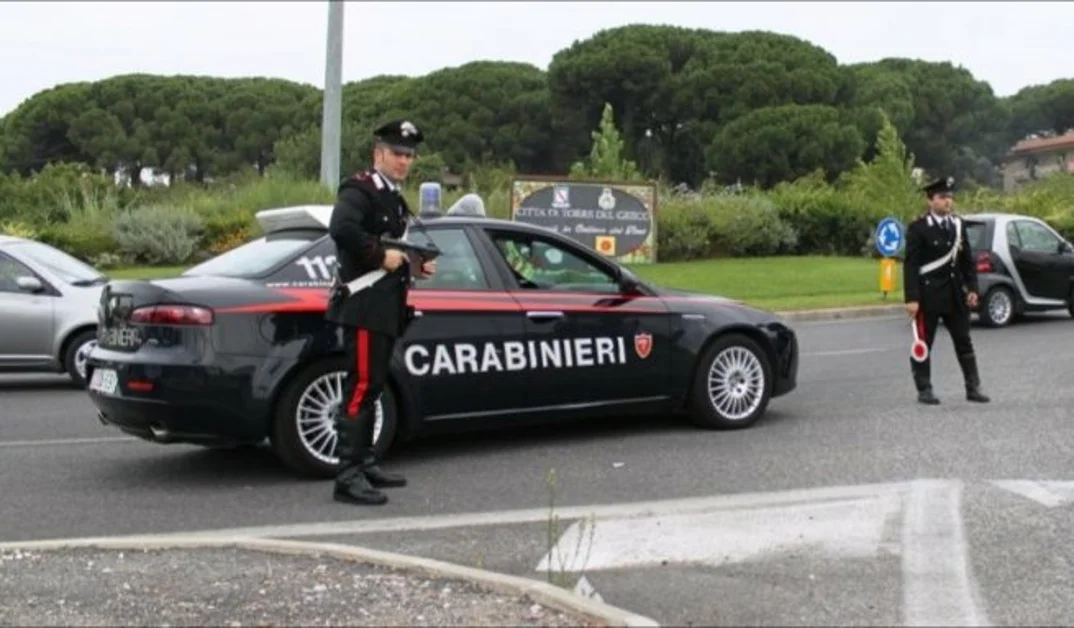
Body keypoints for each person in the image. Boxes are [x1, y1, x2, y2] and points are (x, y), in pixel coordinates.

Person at [324, 119, 437, 506]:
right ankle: (348, 475)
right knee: (359, 389)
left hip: (385, 307)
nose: (404, 161)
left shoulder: (393, 196)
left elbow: (393, 247)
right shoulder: (361, 189)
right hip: (365, 306)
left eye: (409, 155)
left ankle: (365, 462)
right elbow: (341, 228)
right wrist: (378, 255)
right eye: (397, 154)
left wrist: (413, 264)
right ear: (378, 155)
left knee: (371, 388)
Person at [902, 175, 990, 405]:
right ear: (930, 201)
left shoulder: (958, 225)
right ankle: (924, 389)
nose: (947, 202)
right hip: (929, 294)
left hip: (954, 294)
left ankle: (973, 387)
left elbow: (967, 261)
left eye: (950, 197)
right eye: (942, 197)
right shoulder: (918, 228)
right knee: (924, 342)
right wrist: (912, 298)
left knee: (964, 340)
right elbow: (911, 265)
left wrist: (972, 288)